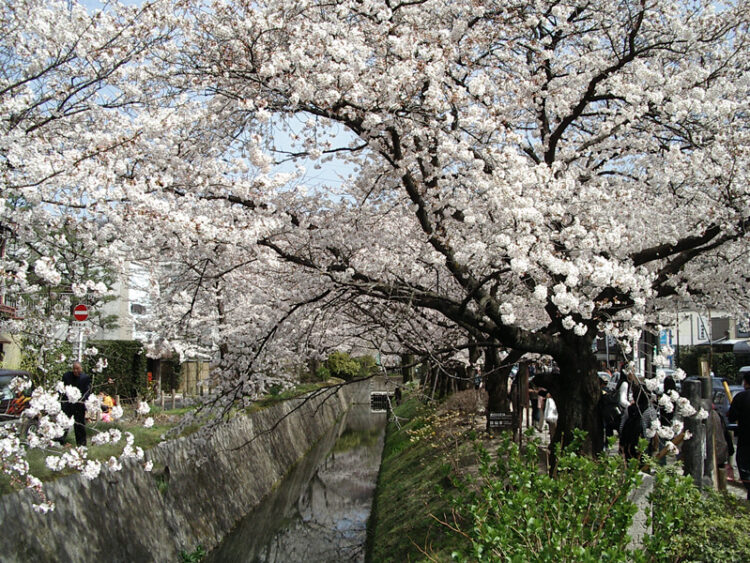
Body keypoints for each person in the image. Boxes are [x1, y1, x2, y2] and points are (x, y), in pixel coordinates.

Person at [727, 370, 750, 500]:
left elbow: (732, 417)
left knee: (746, 469)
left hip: (745, 439)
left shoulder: (740, 397)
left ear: (745, 382)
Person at [58, 361, 92, 447]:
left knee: (79, 425)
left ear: (81, 369)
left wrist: (82, 400)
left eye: (78, 369)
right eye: (74, 369)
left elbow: (87, 392)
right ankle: (59, 441)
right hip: (68, 405)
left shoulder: (85, 378)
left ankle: (81, 445)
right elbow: (62, 389)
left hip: (79, 405)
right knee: (63, 423)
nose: (76, 371)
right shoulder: (67, 376)